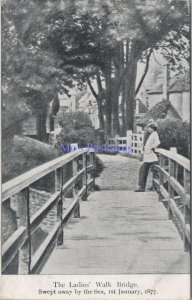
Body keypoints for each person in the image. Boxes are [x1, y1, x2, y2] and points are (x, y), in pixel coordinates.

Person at [135, 121, 160, 192]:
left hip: (150, 156)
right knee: (145, 170)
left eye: (149, 128)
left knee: (143, 170)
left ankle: (142, 187)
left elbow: (157, 142)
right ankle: (144, 187)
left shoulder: (154, 134)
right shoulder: (152, 134)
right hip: (149, 156)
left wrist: (152, 147)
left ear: (152, 128)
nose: (148, 129)